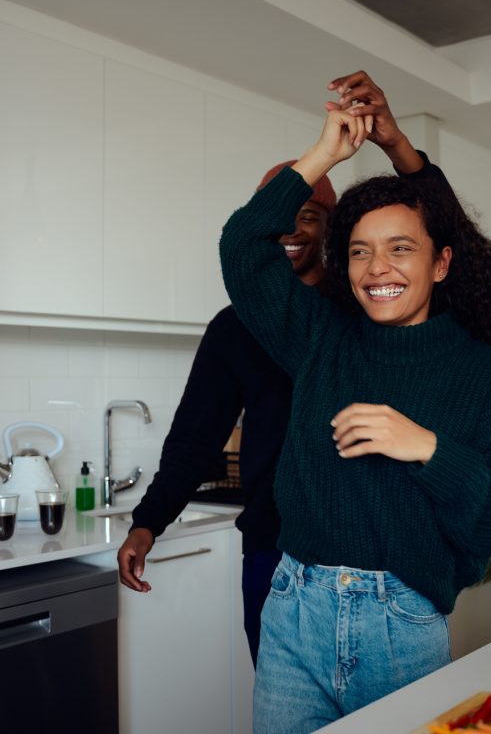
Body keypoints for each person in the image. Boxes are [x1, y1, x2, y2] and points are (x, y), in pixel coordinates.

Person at [218, 70, 491, 731]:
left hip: (399, 623)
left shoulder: (484, 372)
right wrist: (325, 154)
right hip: (293, 605)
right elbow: (243, 252)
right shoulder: (321, 338)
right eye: (359, 252)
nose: (377, 268)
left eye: (399, 249)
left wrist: (427, 449)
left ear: (440, 263)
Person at [115, 158, 337, 666]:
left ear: (330, 226)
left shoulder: (355, 313)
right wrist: (147, 522)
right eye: (276, 216)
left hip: (359, 550)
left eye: (306, 215)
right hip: (271, 547)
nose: (290, 230)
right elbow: (196, 435)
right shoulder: (234, 328)